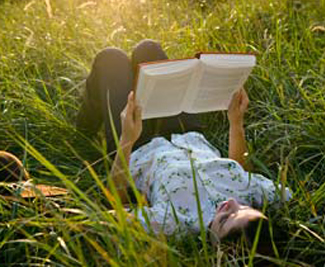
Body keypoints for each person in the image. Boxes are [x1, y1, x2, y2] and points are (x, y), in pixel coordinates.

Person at [77, 40, 291, 247]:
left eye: (225, 219)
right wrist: (236, 124)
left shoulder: (176, 223)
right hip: (187, 133)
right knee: (148, 50)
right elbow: (245, 173)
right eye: (242, 208)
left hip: (137, 145)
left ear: (222, 248)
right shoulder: (253, 196)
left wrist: (126, 139)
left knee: (111, 59)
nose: (230, 204)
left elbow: (114, 208)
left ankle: (83, 131)